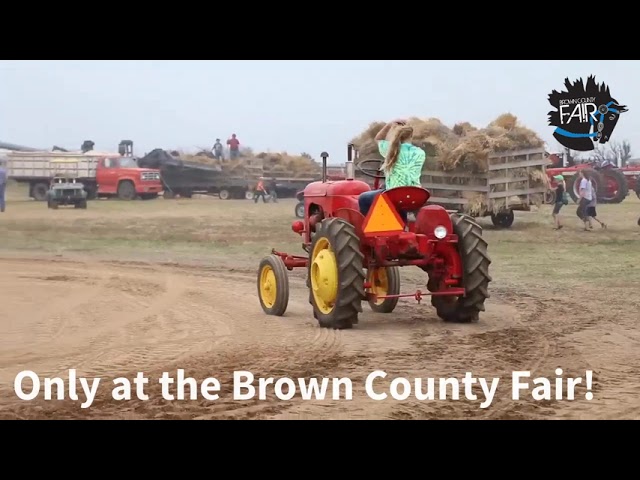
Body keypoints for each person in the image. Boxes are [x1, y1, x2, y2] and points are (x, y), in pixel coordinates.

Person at [358, 119, 426, 223]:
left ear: (396, 136)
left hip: (394, 194)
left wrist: (390, 124)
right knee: (398, 197)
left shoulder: (391, 150)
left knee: (363, 198)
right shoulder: (420, 153)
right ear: (411, 136)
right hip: (415, 193)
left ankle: (374, 223)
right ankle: (401, 223)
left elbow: (378, 138)